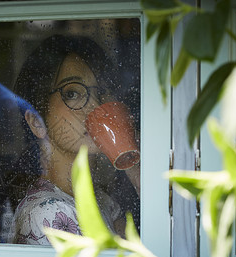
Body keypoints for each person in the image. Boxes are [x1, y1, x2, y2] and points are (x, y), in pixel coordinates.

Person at [9, 34, 140, 245]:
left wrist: (133, 165)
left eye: (103, 92)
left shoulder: (102, 201)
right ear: (36, 122)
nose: (95, 106)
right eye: (72, 93)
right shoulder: (48, 213)